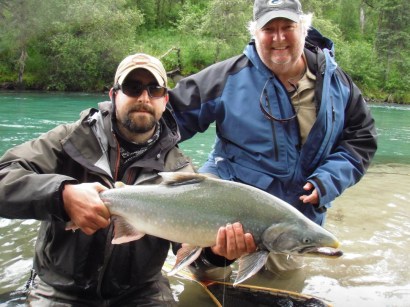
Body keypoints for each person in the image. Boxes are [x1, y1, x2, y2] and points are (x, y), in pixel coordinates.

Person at [0, 53, 255, 306]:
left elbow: (193, 261)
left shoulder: (180, 170)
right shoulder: (69, 140)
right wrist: (62, 195)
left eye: (154, 90)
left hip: (142, 293)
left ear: (165, 100)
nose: (144, 98)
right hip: (59, 289)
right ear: (114, 95)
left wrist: (217, 254)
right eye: (133, 87)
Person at [169, 0, 377, 272]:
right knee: (204, 281)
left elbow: (361, 140)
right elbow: (163, 120)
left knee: (276, 294)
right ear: (255, 33)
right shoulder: (227, 77)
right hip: (222, 208)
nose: (279, 37)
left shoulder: (338, 84)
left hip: (293, 223)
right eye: (269, 29)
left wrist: (327, 181)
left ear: (304, 28)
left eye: (287, 27)